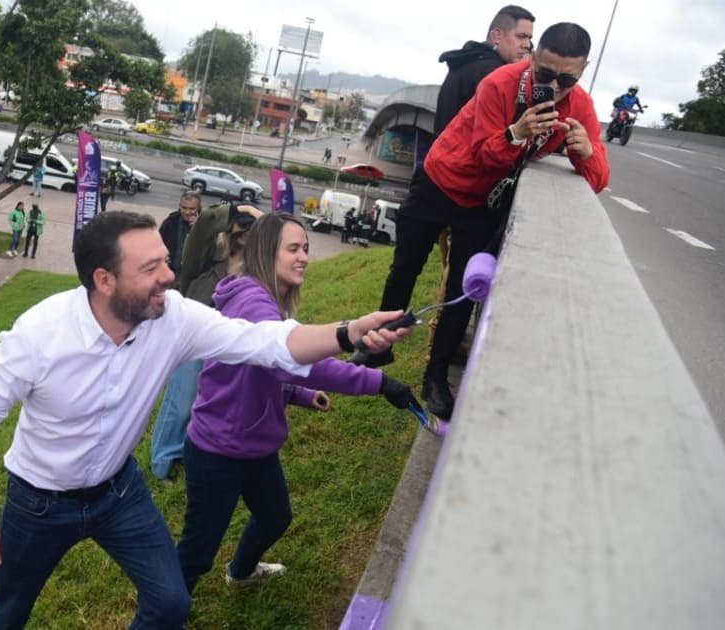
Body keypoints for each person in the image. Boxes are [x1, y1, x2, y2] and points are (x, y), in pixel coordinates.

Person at [0, 211, 411, 629]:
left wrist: (347, 331)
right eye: (151, 268)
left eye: (166, 261)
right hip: (39, 502)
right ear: (104, 280)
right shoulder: (39, 333)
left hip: (118, 493)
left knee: (172, 603)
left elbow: (264, 342)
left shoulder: (173, 317)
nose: (169, 276)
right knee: (9, 611)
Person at [381, 22, 612, 423]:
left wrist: (586, 151)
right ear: (534, 56)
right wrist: (516, 134)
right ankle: (377, 342)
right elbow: (484, 155)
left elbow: (597, 181)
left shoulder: (581, 108)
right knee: (405, 267)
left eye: (567, 79)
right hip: (439, 181)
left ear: (584, 69)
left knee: (463, 290)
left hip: (481, 203)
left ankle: (436, 377)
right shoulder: (499, 84)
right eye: (544, 74)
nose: (554, 87)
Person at [176, 212, 419, 593]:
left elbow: (271, 371)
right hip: (218, 450)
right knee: (197, 550)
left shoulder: (268, 299)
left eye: (305, 248)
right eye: (293, 249)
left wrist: (301, 395)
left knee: (275, 518)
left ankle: (240, 572)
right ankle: (166, 613)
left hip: (255, 446)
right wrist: (379, 381)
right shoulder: (254, 302)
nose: (303, 256)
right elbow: (302, 362)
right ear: (266, 252)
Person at [355, 4, 534, 371]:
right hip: (471, 193)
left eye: (531, 40)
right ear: (496, 35)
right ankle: (436, 375)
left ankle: (376, 347)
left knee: (404, 270)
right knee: (461, 289)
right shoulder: (500, 76)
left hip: (431, 181)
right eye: (521, 37)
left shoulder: (461, 66)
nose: (527, 48)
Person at [150, 200, 260, 481]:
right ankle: (163, 463)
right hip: (196, 335)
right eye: (242, 225)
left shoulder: (256, 270)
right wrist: (235, 210)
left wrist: (265, 221)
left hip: (229, 340)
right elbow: (205, 224)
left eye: (252, 228)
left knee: (206, 400)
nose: (246, 231)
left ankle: (188, 454)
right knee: (182, 398)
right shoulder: (206, 258)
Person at [158, 191, 200, 279]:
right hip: (171, 273)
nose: (187, 212)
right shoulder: (170, 221)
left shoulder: (205, 223)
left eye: (192, 209)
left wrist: (199, 227)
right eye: (184, 208)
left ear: (198, 208)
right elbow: (158, 243)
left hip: (193, 277)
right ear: (179, 206)